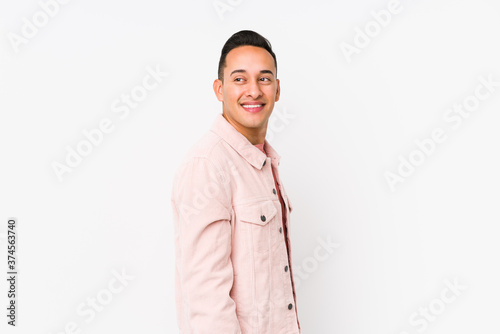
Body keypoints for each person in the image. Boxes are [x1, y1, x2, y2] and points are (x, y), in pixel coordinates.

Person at [171, 30, 301, 333]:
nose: (253, 91)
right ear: (219, 89)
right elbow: (207, 298)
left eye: (264, 79)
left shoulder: (264, 163)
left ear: (277, 89)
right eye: (239, 79)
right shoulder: (208, 166)